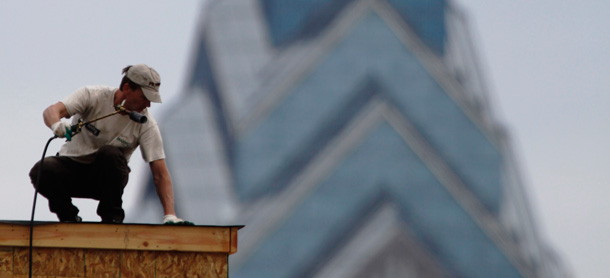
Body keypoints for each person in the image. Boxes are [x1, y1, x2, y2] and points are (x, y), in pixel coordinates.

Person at [29, 64, 192, 225]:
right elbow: (51, 111)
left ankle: (112, 219)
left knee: (109, 153)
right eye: (145, 97)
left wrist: (170, 215)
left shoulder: (146, 124)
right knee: (42, 169)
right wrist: (56, 125)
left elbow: (160, 174)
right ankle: (69, 217)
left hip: (106, 180)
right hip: (72, 171)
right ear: (127, 88)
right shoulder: (92, 95)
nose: (148, 105)